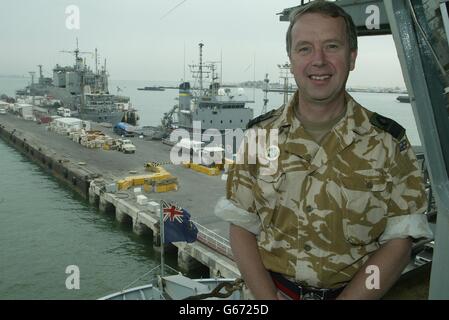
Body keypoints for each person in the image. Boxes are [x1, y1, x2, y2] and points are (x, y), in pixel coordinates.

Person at [215, 0, 433, 300]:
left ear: (352, 56)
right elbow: (241, 226)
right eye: (305, 48)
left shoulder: (389, 143)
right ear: (291, 59)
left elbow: (399, 240)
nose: (318, 60)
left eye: (332, 46)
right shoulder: (258, 136)